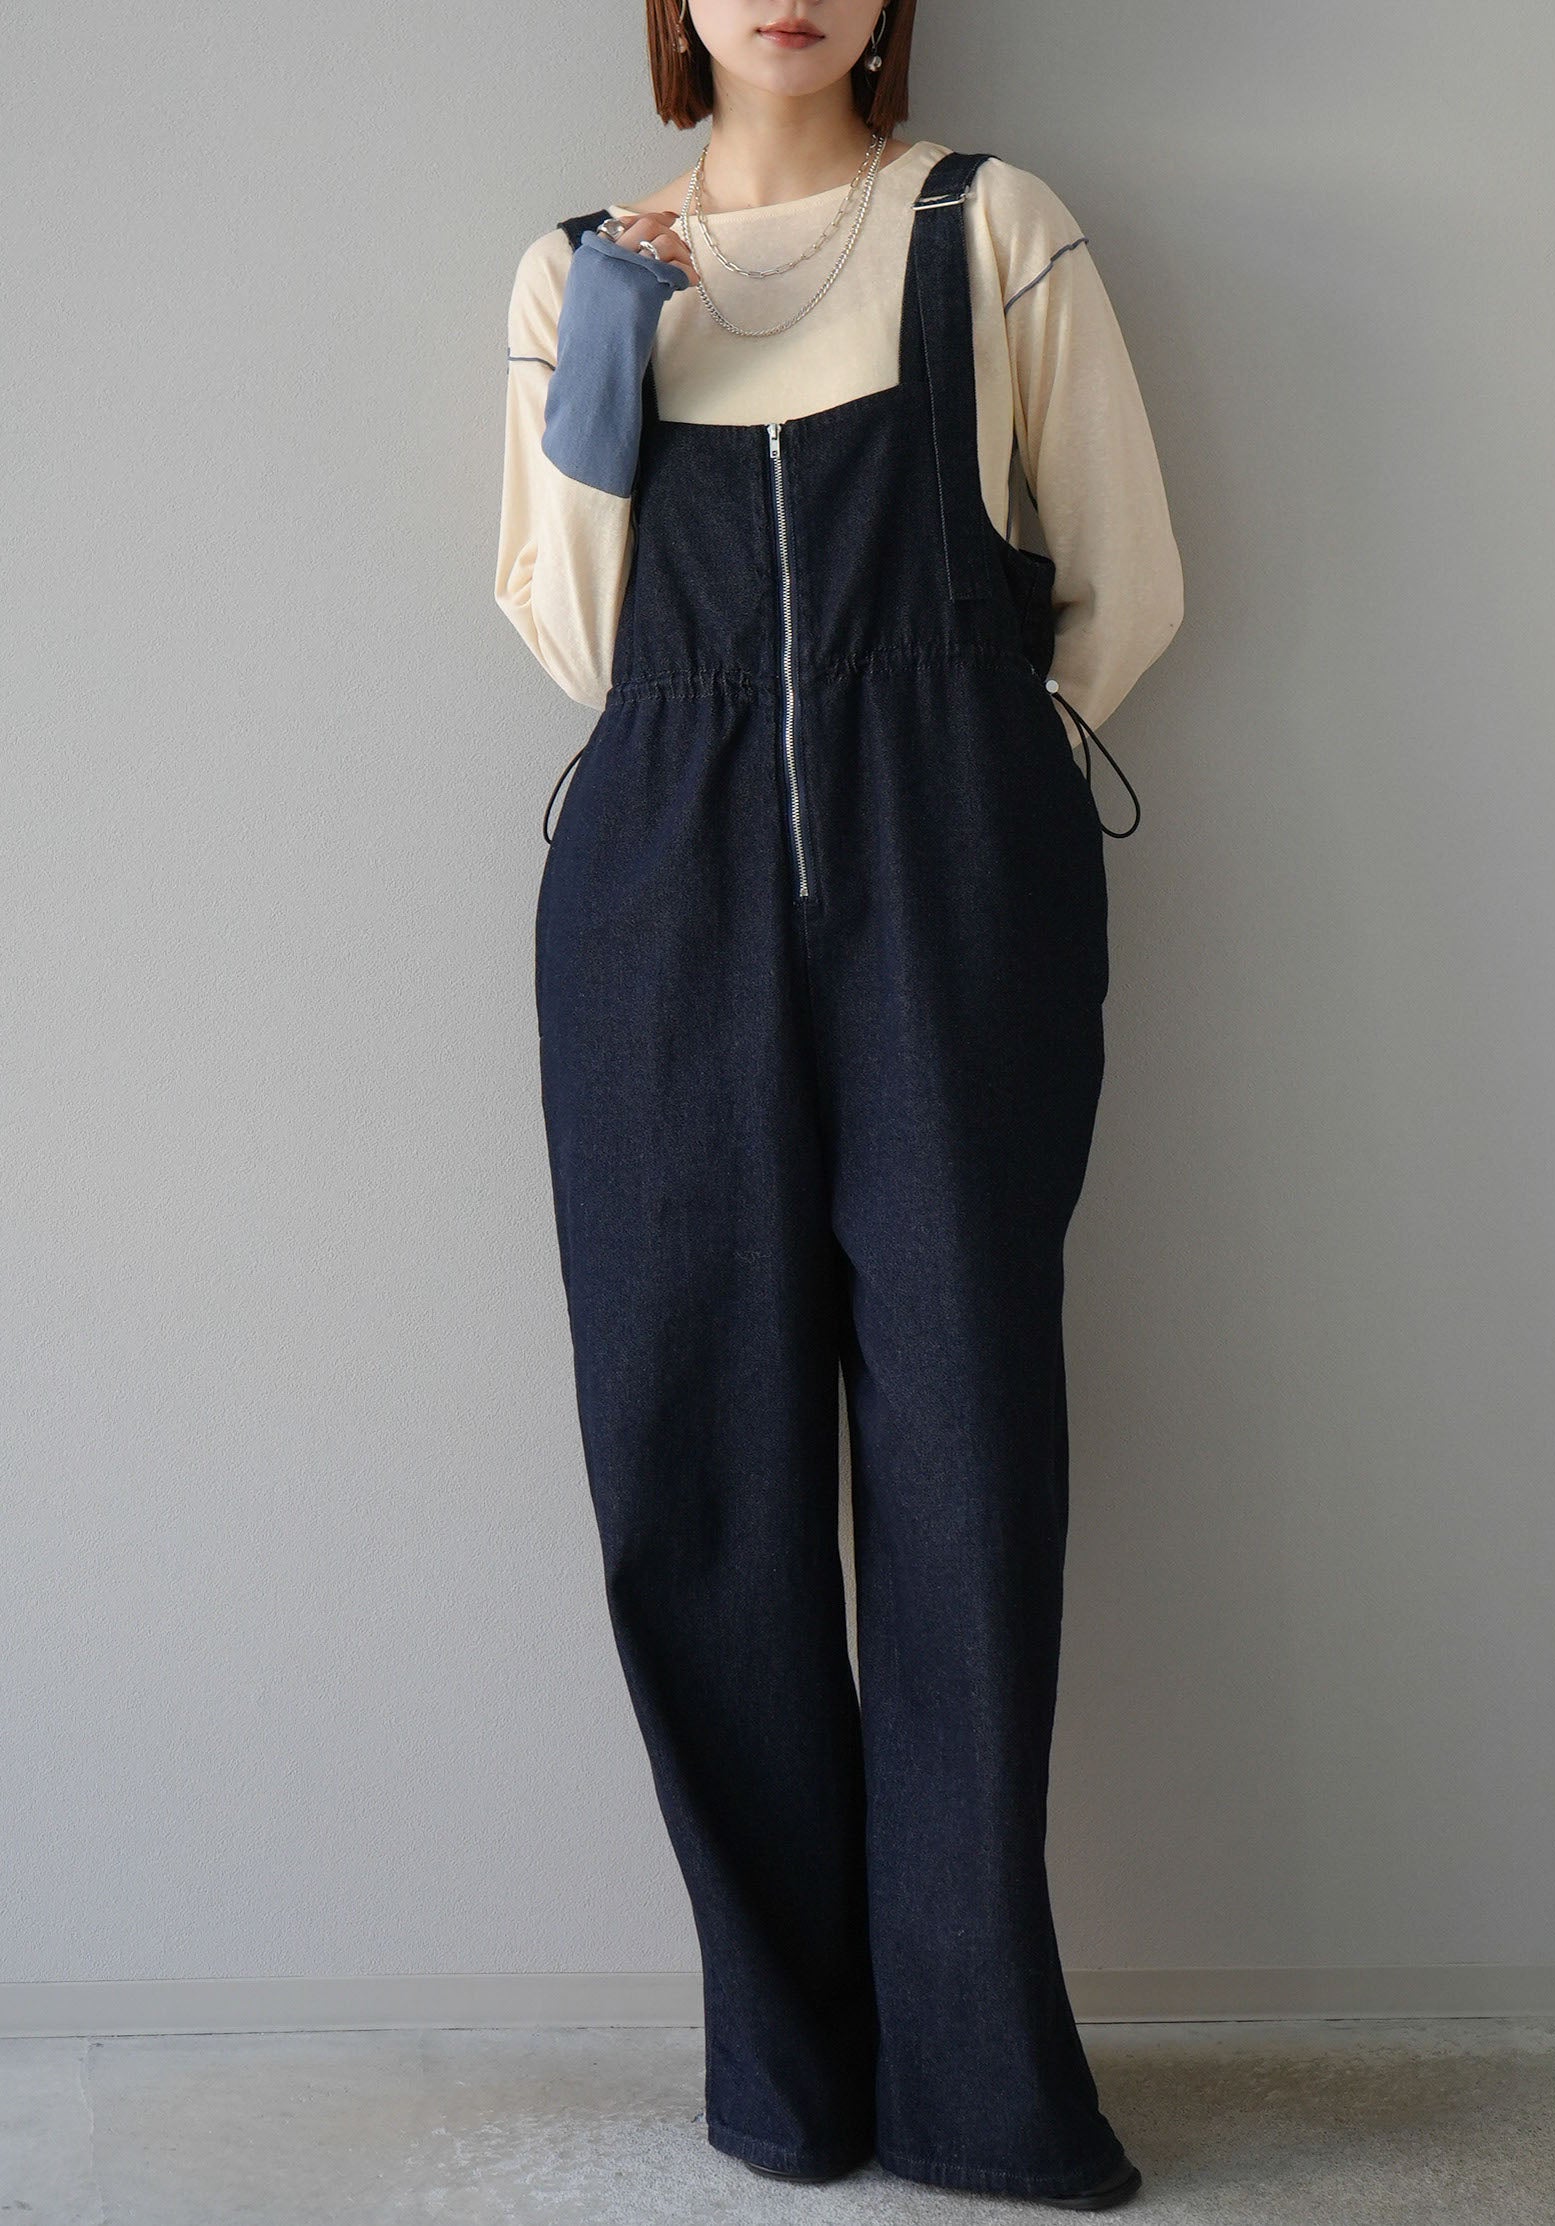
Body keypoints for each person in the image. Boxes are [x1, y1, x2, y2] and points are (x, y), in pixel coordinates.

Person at [494, 0, 1182, 2208]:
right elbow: (567, 627)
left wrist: (959, 767)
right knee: (691, 1456)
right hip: (657, 885)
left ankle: (981, 2085)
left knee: (967, 1449)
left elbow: (1125, 585)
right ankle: (787, 2070)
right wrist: (612, 353)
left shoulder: (992, 229)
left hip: (949, 873)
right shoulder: (576, 270)